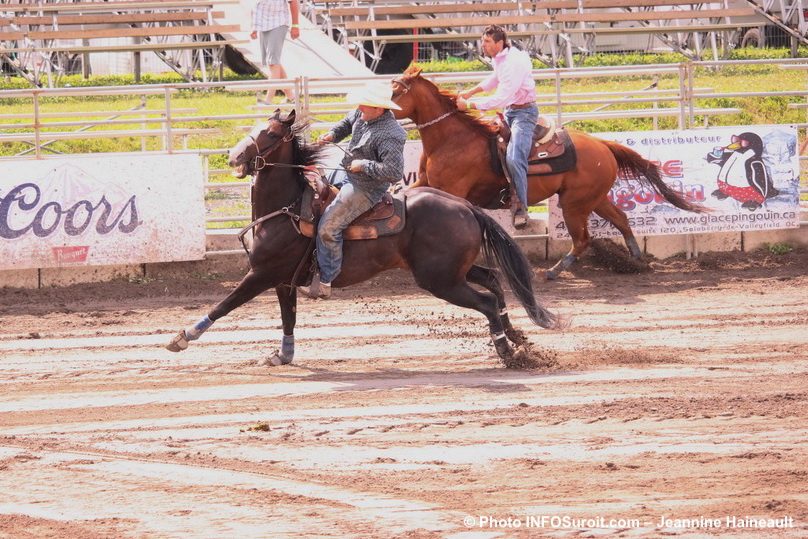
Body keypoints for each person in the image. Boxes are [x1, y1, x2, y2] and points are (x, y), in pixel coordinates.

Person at [299, 83, 406, 299]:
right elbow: (346, 123)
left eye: (365, 105)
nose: (360, 107)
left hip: (365, 187)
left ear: (380, 108)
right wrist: (332, 135)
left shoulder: (392, 134)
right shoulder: (363, 112)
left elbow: (394, 172)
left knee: (328, 227)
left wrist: (364, 165)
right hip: (346, 171)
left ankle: (326, 281)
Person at [456, 24, 537, 229]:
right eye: (483, 41)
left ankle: (521, 208)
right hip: (511, 111)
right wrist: (472, 91)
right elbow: (495, 78)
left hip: (523, 114)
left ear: (499, 43)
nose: (482, 45)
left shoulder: (513, 62)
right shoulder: (501, 58)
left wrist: (470, 104)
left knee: (515, 157)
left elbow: (503, 96)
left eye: (487, 41)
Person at [250, 0, 300, 104]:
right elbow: (257, 5)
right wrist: (254, 27)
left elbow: (293, 2)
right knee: (272, 62)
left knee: (273, 62)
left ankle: (268, 100)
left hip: (279, 22)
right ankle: (291, 97)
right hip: (263, 25)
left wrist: (295, 25)